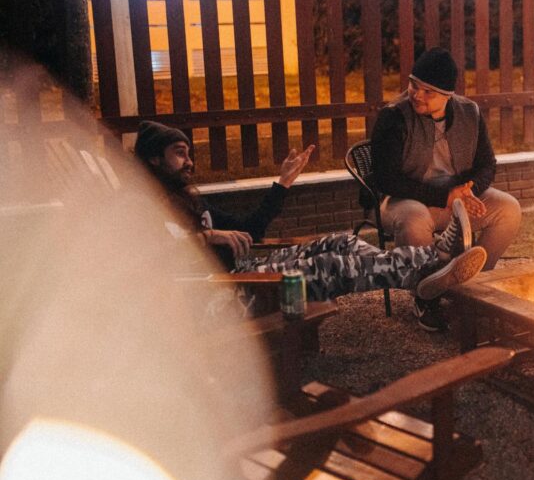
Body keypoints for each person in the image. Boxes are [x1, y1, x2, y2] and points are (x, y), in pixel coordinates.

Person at [134, 120, 487, 330]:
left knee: (340, 244)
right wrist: (205, 235)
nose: (189, 161)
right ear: (153, 159)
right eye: (179, 153)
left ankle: (424, 269)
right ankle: (431, 262)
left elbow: (249, 231)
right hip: (228, 294)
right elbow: (151, 256)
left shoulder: (187, 200)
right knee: (333, 265)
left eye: (188, 153)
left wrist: (283, 182)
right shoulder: (145, 209)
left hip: (246, 271)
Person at [371, 47, 522, 329]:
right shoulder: (393, 116)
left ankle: (471, 284)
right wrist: (444, 196)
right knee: (414, 219)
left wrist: (469, 189)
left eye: (429, 92)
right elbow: (385, 178)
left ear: (447, 96)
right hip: (404, 199)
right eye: (414, 85)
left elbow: (487, 163)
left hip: (456, 197)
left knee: (508, 209)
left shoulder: (469, 113)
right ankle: (425, 298)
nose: (417, 95)